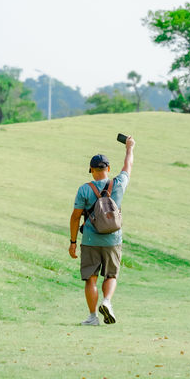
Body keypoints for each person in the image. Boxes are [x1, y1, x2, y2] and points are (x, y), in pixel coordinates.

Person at [68, 136, 135, 326]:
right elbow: (128, 165)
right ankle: (107, 302)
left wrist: (73, 242)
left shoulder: (84, 189)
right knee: (111, 275)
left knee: (91, 279)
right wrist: (130, 147)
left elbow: (75, 217)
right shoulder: (119, 183)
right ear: (108, 169)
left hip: (90, 240)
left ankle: (92, 317)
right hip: (113, 239)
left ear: (91, 170)